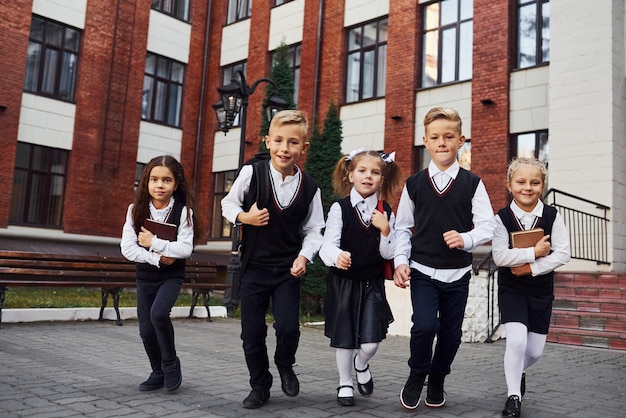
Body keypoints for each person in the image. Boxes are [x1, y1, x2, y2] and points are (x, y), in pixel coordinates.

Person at [221, 109, 325, 409]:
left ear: (303, 148)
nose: (284, 148)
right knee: (251, 333)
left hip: (287, 270)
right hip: (254, 267)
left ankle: (284, 363)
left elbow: (315, 229)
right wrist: (244, 217)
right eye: (278, 140)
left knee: (289, 328)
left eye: (293, 142)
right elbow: (228, 203)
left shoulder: (310, 188)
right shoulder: (252, 173)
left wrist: (305, 256)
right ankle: (260, 385)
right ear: (268, 141)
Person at [393, 106, 494, 410]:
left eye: (448, 137)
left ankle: (437, 378)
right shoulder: (414, 184)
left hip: (458, 273)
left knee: (451, 334)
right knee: (424, 326)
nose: (441, 143)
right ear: (425, 140)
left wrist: (467, 239)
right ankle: (416, 374)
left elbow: (487, 225)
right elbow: (402, 228)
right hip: (422, 270)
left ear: (460, 140)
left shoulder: (472, 183)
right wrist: (400, 260)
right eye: (435, 137)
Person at [319, 149, 403, 407]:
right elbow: (326, 246)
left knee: (370, 341)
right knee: (344, 337)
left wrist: (385, 229)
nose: (368, 177)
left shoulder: (385, 210)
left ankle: (361, 363)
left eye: (375, 172)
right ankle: (345, 381)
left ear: (382, 178)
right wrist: (337, 256)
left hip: (371, 282)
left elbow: (389, 252)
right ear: (350, 175)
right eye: (362, 171)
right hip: (344, 281)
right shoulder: (339, 208)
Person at [492, 157, 570, 417]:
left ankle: (518, 370)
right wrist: (533, 252)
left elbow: (563, 254)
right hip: (512, 289)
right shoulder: (502, 218)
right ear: (509, 185)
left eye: (535, 182)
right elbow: (500, 257)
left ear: (542, 185)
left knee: (534, 352)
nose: (528, 187)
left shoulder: (552, 216)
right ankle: (513, 396)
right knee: (516, 342)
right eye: (521, 182)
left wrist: (532, 267)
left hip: (541, 292)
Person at [121, 155, 202, 392]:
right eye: (154, 179)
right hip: (146, 276)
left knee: (158, 314)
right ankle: (157, 372)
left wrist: (153, 241)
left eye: (166, 180)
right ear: (146, 182)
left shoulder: (183, 212)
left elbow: (185, 249)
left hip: (171, 276)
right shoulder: (135, 210)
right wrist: (158, 257)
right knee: (146, 330)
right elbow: (128, 248)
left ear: (176, 184)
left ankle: (170, 363)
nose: (160, 185)